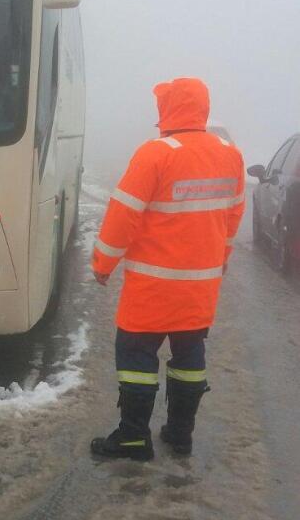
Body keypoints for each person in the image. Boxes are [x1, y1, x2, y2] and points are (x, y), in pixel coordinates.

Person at [90, 77, 245, 461]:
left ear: (167, 109)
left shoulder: (155, 154)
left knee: (137, 356)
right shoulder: (230, 154)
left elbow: (123, 215)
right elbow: (233, 215)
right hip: (200, 287)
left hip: (152, 287)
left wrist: (103, 263)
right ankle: (179, 433)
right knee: (189, 354)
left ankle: (132, 437)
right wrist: (220, 260)